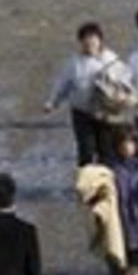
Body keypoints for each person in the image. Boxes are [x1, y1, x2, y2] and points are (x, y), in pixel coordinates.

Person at [44, 22, 121, 167]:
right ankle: (85, 182)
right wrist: (52, 102)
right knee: (86, 150)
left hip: (106, 112)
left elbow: (124, 83)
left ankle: (107, 182)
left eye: (93, 38)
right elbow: (63, 84)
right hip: (82, 112)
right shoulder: (74, 62)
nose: (89, 43)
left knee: (106, 150)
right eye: (85, 39)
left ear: (100, 40)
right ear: (80, 42)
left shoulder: (110, 59)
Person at [107, 130, 138, 275]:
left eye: (130, 143)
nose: (126, 147)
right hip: (119, 219)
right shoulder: (110, 167)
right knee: (119, 264)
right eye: (123, 144)